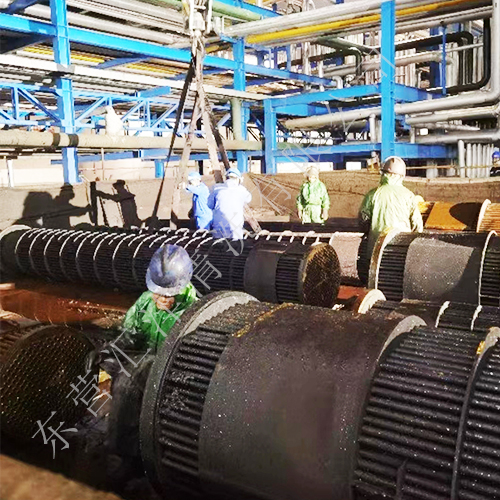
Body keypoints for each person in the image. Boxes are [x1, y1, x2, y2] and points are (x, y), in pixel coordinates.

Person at [122, 245, 198, 351]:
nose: (162, 299)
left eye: (169, 294)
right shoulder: (145, 301)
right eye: (158, 292)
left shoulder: (194, 312)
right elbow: (128, 330)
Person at [359, 156, 423, 258]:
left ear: (383, 173)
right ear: (402, 175)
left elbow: (363, 220)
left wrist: (370, 233)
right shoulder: (409, 195)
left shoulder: (373, 194)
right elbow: (417, 225)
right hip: (402, 249)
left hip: (376, 248)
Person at [208, 168, 252, 240]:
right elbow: (248, 199)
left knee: (218, 245)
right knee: (236, 245)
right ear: (238, 179)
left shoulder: (216, 188)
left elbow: (209, 205)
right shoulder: (242, 190)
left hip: (219, 225)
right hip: (235, 226)